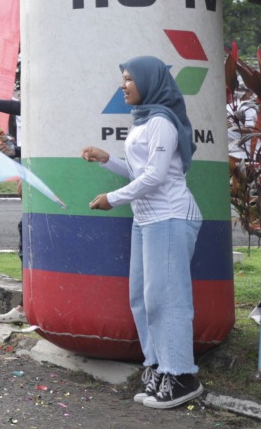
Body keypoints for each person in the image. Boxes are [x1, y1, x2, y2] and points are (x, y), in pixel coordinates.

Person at [82, 56, 204, 410]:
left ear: (149, 81)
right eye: (122, 79)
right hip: (147, 220)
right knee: (142, 298)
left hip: (170, 217)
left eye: (128, 79)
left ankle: (182, 375)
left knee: (167, 300)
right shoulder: (144, 121)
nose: (123, 85)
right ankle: (157, 368)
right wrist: (108, 159)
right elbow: (141, 171)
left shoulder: (162, 122)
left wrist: (112, 199)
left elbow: (156, 177)